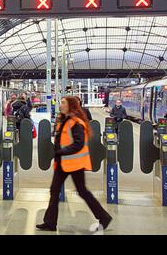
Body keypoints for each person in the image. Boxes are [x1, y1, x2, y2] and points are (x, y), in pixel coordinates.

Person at [36, 96, 112, 232]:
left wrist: (61, 152)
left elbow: (78, 143)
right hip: (63, 163)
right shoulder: (63, 120)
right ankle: (50, 222)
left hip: (75, 163)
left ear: (70, 105)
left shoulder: (75, 123)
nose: (60, 105)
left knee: (82, 191)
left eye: (63, 103)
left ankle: (104, 217)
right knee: (54, 190)